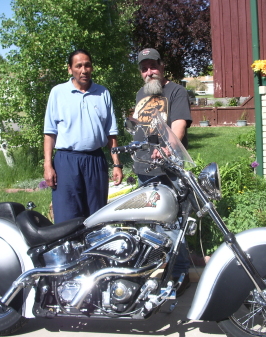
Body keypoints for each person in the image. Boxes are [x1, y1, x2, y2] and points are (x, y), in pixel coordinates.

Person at [133, 48, 192, 296]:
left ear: (162, 65)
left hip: (169, 170)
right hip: (143, 170)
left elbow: (178, 126)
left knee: (173, 223)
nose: (149, 72)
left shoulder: (176, 92)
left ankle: (180, 274)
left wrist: (167, 150)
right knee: (150, 225)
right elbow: (138, 127)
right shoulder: (140, 94)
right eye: (144, 68)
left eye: (153, 66)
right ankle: (156, 269)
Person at [43, 49, 123, 223]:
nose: (83, 70)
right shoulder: (58, 93)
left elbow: (111, 134)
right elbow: (50, 132)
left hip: (95, 161)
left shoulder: (103, 93)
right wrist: (48, 165)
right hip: (67, 162)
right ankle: (69, 250)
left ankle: (95, 250)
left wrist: (117, 165)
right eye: (78, 66)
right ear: (70, 69)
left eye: (87, 65)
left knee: (97, 216)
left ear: (92, 68)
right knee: (67, 216)